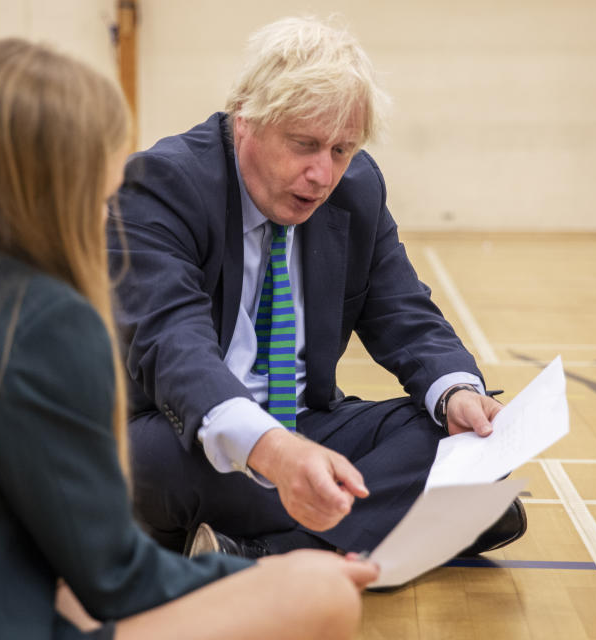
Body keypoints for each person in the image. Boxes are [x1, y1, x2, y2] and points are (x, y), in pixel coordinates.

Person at [0, 39, 378, 640]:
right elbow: (116, 577)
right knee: (318, 596)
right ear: (66, 183)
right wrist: (272, 574)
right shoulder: (51, 322)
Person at [109, 16, 526, 559]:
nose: (323, 175)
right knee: (170, 464)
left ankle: (264, 553)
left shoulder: (357, 188)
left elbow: (405, 311)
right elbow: (175, 350)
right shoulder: (164, 185)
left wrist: (458, 391)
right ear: (246, 120)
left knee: (463, 440)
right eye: (304, 144)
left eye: (340, 150)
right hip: (185, 427)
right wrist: (274, 451)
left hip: (309, 424)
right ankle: (432, 523)